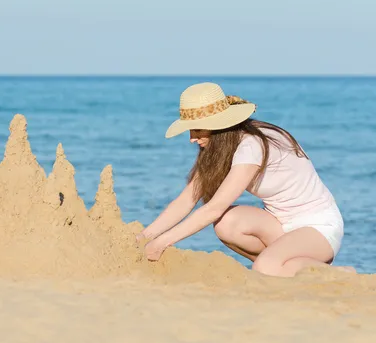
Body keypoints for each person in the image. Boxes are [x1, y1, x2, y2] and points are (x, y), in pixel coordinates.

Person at [137, 82, 354, 277]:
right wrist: (145, 237)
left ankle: (338, 274)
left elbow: (214, 207)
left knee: (263, 268)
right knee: (226, 224)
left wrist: (162, 243)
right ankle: (284, 265)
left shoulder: (252, 145)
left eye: (197, 129)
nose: (192, 137)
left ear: (218, 126)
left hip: (317, 228)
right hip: (278, 225)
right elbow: (186, 200)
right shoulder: (221, 148)